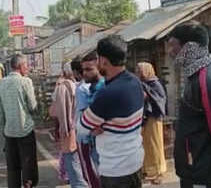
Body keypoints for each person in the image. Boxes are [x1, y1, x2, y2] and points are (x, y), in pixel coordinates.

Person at [167, 20, 211, 188]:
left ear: (189, 47)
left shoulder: (207, 82)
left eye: (173, 46)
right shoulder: (195, 77)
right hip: (197, 172)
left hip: (209, 177)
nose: (170, 52)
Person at [77, 35, 145, 188]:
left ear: (104, 61)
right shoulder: (135, 82)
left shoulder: (107, 94)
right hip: (135, 162)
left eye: (97, 58)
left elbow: (81, 128)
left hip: (115, 170)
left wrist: (96, 128)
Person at [0, 54, 39, 188]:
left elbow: (1, 112)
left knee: (13, 168)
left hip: (9, 133)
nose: (28, 67)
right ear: (20, 66)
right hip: (25, 131)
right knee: (28, 165)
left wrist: (4, 129)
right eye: (26, 65)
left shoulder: (0, 84)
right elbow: (32, 107)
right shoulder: (26, 81)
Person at [50, 60, 88, 188]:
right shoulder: (77, 85)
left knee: (72, 163)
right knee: (79, 161)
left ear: (66, 71)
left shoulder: (62, 87)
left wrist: (59, 129)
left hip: (68, 129)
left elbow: (55, 112)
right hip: (80, 128)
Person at [74, 52, 105, 188]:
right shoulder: (92, 88)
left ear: (99, 68)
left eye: (89, 69)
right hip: (94, 141)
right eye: (83, 69)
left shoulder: (104, 88)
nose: (84, 73)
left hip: (103, 144)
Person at [136, 62, 167, 185]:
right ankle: (148, 171)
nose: (138, 73)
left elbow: (160, 100)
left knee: (155, 145)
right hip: (145, 118)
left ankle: (159, 171)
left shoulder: (155, 84)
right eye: (137, 71)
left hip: (154, 118)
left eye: (140, 71)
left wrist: (147, 96)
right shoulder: (143, 84)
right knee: (146, 145)